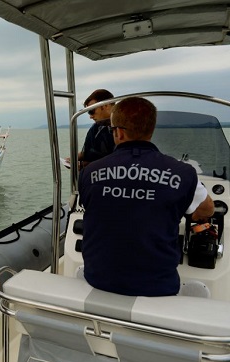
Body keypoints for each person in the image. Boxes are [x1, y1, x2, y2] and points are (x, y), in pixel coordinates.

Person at [79, 97, 214, 297]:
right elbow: (207, 210)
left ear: (119, 132)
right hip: (157, 286)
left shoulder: (90, 172)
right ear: (151, 129)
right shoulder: (183, 173)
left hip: (98, 279)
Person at [75, 89, 116, 168]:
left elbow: (120, 159)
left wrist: (84, 165)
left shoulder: (122, 128)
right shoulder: (95, 128)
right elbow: (87, 152)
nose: (90, 116)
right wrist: (72, 159)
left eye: (91, 111)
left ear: (106, 106)